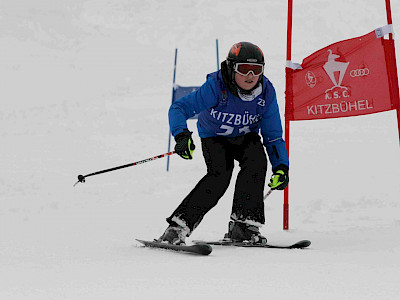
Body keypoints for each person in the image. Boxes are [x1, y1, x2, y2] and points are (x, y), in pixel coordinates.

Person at [159, 42, 289, 245]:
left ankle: (243, 226)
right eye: (244, 69)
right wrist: (181, 136)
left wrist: (281, 167)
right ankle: (177, 228)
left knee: (256, 161)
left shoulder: (266, 93)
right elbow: (178, 108)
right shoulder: (215, 87)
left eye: (257, 70)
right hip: (214, 137)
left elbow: (273, 135)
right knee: (220, 175)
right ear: (231, 68)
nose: (250, 76)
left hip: (245, 136)